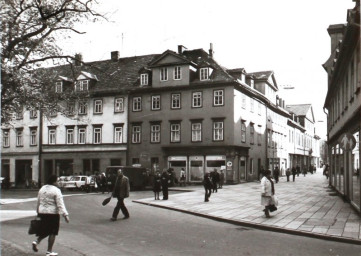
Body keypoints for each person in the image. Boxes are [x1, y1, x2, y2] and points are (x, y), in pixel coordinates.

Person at [32, 175, 69, 256]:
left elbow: (38, 200)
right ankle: (49, 251)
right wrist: (65, 214)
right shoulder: (56, 190)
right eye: (58, 181)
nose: (59, 182)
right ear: (54, 182)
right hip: (52, 213)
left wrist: (38, 211)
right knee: (53, 232)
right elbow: (60, 204)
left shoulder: (42, 188)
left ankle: (36, 241)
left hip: (42, 212)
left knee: (45, 230)